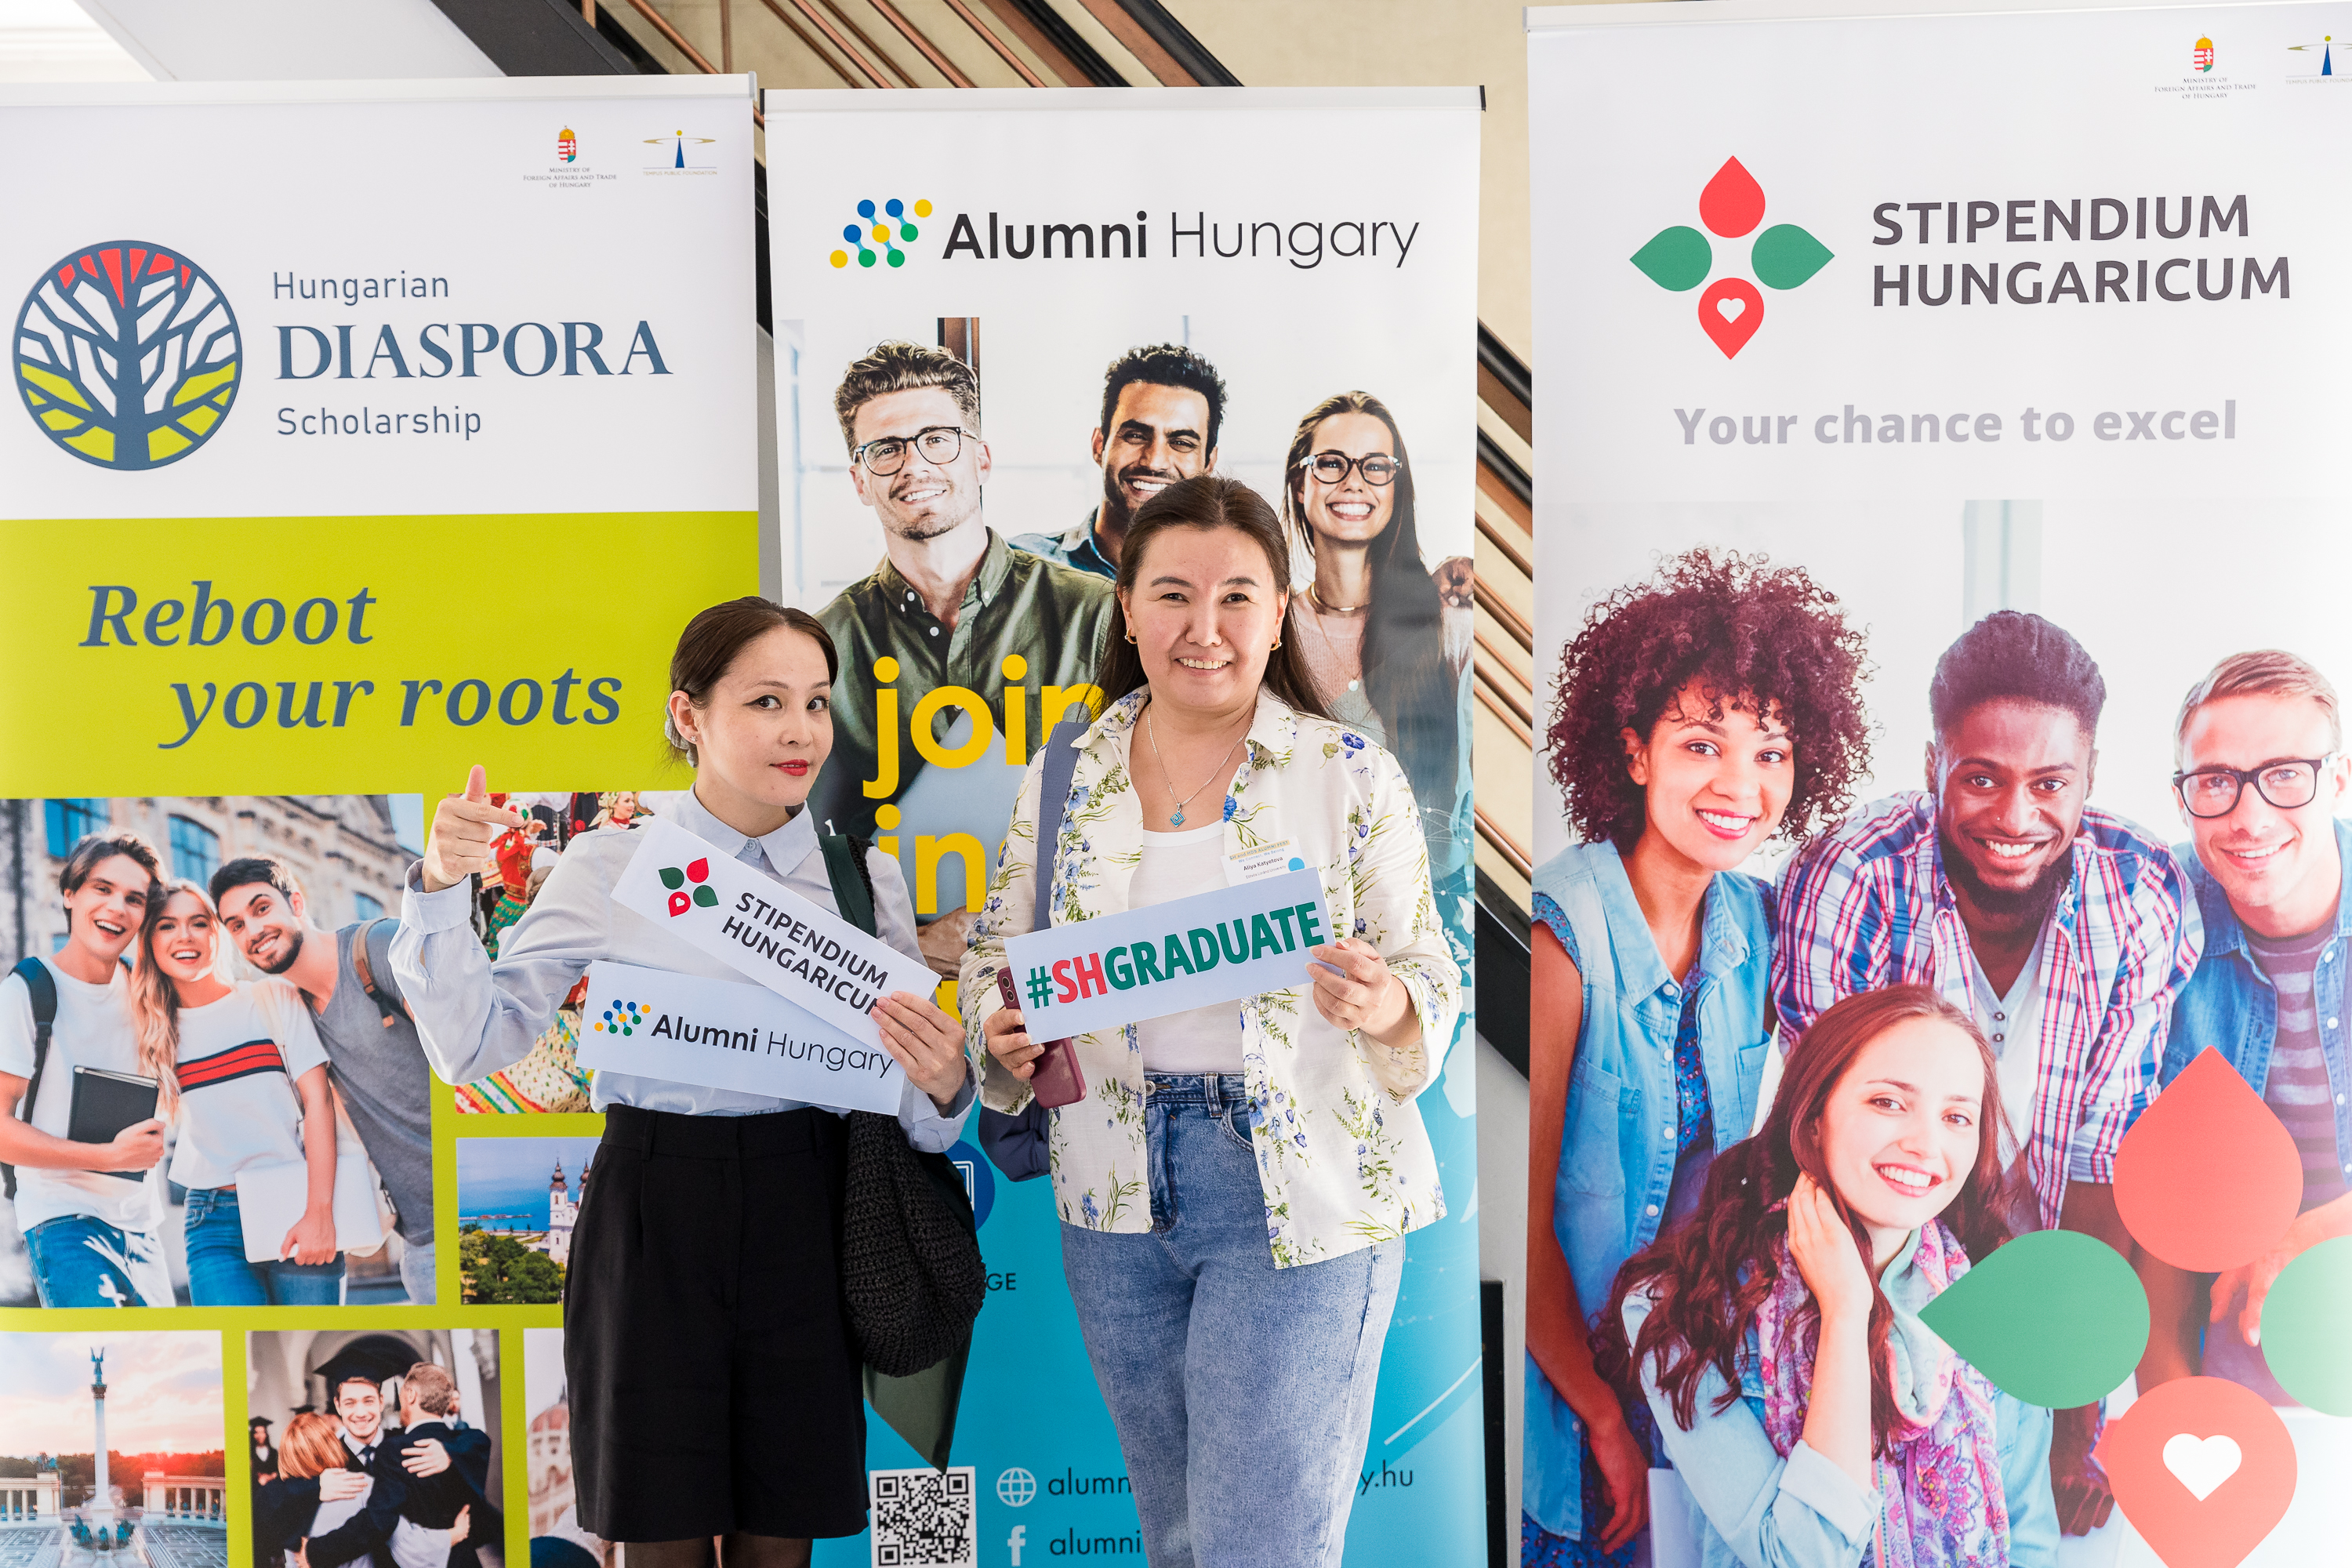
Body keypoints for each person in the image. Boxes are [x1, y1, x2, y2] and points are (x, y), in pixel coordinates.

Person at [391, 597, 976, 1568]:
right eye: (767, 700)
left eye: (817, 702)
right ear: (687, 714)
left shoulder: (860, 877)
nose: (801, 730)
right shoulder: (612, 863)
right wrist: (442, 891)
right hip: (652, 1209)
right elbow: (472, 1045)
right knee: (657, 1530)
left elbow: (912, 1111)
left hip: (808, 1209)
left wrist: (948, 1081)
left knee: (780, 1539)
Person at [964, 474, 1462, 1567]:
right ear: (1127, 609)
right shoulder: (1066, 776)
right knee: (1180, 1541)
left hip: (1299, 1183)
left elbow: (1429, 966)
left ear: (1279, 612)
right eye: (1173, 594)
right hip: (1114, 1188)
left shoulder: (1348, 773)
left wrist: (1388, 1002)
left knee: (1258, 1548)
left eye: (1237, 596)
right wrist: (997, 1026)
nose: (1206, 627)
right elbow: (998, 954)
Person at [1772, 609, 2201, 1534]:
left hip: (2057, 1278)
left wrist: (2071, 1398)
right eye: (1981, 778)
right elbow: (1826, 1135)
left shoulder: (2139, 890)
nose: (2014, 816)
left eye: (2050, 783)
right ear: (1933, 763)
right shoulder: (1854, 877)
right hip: (1881, 1271)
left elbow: (2103, 1158)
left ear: (2090, 777)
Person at [1524, 550, 1873, 1567]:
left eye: (1771, 752)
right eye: (1701, 745)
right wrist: (1600, 1413)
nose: (1740, 785)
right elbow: (1522, 1222)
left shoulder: (1760, 923)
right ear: (1635, 753)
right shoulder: (1562, 934)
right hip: (1569, 1390)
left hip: (1689, 1386)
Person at [1603, 985, 2057, 1567]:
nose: (1925, 1144)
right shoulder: (1682, 1308)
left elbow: (2031, 1546)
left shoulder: (1998, 1309)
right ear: (1815, 1117)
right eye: (1888, 1102)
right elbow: (1801, 1556)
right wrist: (1845, 1311)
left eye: (1956, 1117)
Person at [811, 340, 1118, 975]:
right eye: (886, 449)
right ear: (859, 480)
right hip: (892, 1001)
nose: (914, 464)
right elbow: (796, 857)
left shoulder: (1099, 618)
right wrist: (911, 944)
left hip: (1078, 983)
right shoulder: (820, 648)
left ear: (981, 457)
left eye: (937, 440)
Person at [2143, 650, 2352, 1402]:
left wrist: (2306, 1236)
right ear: (2182, 796)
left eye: (2286, 774)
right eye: (2215, 782)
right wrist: (2170, 1412)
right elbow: (2155, 1203)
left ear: (2339, 780)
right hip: (2238, 1344)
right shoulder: (2150, 917)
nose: (2249, 817)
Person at [212, 858, 438, 1304]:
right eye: (236, 925)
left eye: (261, 908)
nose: (253, 931)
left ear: (296, 903)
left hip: (477, 1211)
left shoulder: (378, 948)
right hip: (420, 1243)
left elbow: (468, 1054)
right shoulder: (289, 1011)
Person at [1279, 391, 1475, 900]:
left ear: (1396, 488)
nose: (1354, 482)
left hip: (1426, 912)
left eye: (1376, 466)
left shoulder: (1452, 627)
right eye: (1331, 464)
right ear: (1300, 484)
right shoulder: (1268, 629)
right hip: (1301, 913)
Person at [130, 880, 346, 1305]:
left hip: (297, 1202)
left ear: (217, 934)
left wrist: (320, 1212)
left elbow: (319, 1104)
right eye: (167, 926)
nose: (185, 936)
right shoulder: (151, 1032)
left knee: (308, 1334)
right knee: (233, 1337)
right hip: (212, 1221)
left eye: (199, 923)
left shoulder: (271, 998)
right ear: (150, 942)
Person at [0, 831, 170, 1308]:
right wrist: (109, 1157)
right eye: (103, 888)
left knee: (159, 1353)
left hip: (143, 1229)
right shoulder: (26, 992)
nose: (117, 907)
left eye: (134, 899)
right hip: (63, 1224)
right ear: (70, 893)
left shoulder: (146, 993)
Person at [1007, 343, 1227, 579]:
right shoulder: (1016, 569)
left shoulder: (1231, 580)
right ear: (1099, 445)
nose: (1154, 462)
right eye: (1136, 436)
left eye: (1181, 443)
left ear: (1209, 463)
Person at [304, 1363, 499, 1568]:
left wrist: (450, 1452)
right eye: (350, 1403)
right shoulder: (323, 1457)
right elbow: (285, 1497)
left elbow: (476, 1438)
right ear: (338, 1406)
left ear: (381, 1402)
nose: (360, 1412)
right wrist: (315, 1487)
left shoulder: (405, 1444)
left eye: (368, 1401)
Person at [258, 1410, 470, 1568]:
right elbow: (409, 1548)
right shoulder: (361, 1486)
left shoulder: (283, 1507)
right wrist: (455, 1534)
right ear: (330, 1444)